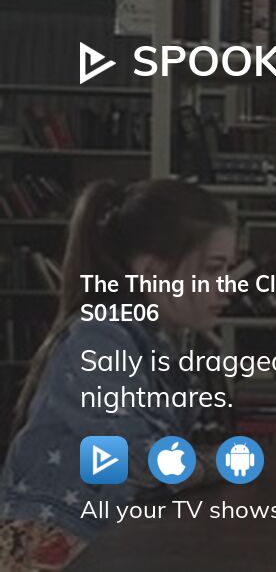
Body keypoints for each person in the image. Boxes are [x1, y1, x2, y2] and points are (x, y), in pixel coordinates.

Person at [0, 179, 234, 570]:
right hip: (55, 548)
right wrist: (218, 465)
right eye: (213, 269)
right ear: (152, 272)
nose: (229, 286)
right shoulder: (99, 337)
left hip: (103, 540)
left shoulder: (156, 342)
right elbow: (142, 460)